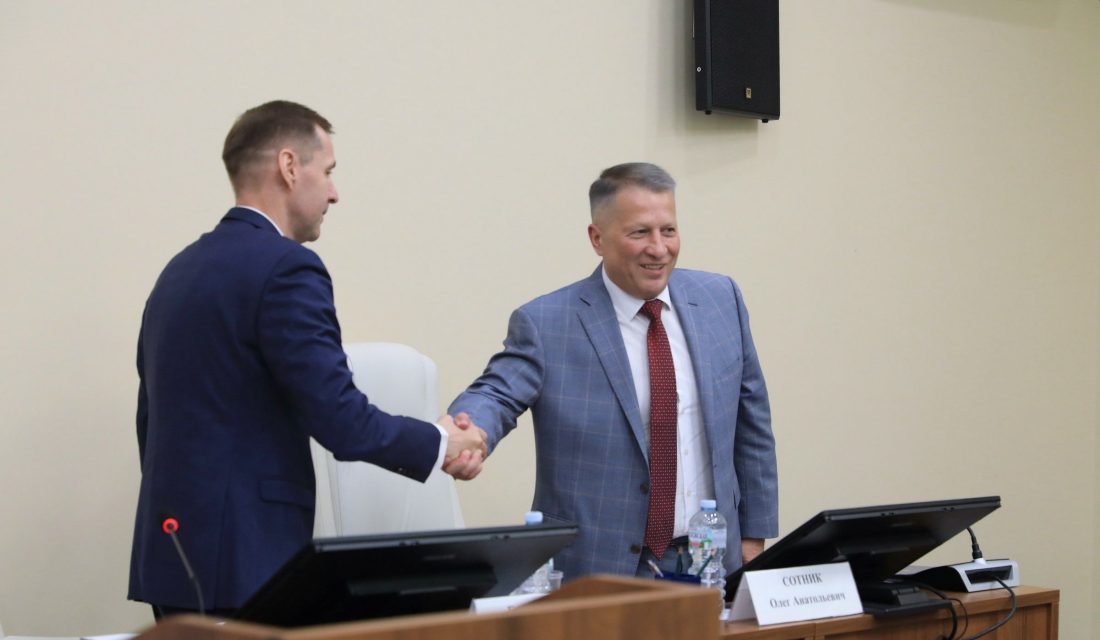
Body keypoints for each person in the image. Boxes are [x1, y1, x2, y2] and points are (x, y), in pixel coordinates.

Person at [129, 100, 487, 618]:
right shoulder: (287, 268)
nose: (335, 193)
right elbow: (339, 418)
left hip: (175, 556)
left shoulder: (178, 272)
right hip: (247, 562)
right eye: (329, 171)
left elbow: (151, 420)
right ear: (290, 166)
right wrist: (440, 442)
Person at [450, 162, 777, 580]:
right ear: (597, 238)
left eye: (668, 230)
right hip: (600, 567)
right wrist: (466, 432)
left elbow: (753, 424)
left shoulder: (720, 299)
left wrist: (753, 536)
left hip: (710, 560)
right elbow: (496, 393)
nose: (658, 248)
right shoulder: (547, 322)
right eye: (639, 232)